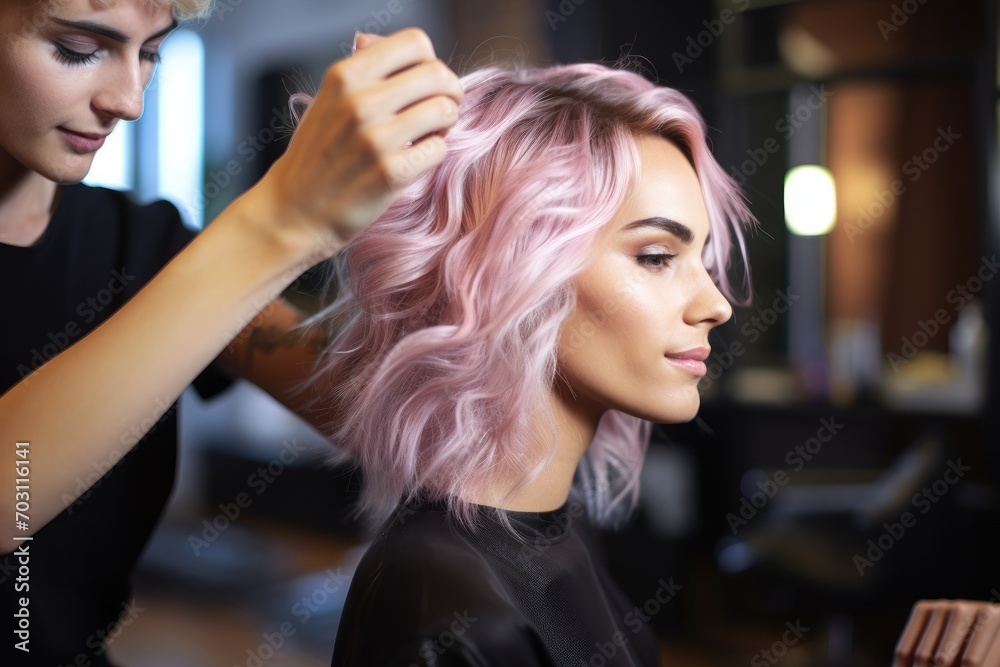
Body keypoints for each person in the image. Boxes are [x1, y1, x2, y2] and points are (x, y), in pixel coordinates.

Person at [306, 64, 1000, 666]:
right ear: (515, 272)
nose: (716, 304)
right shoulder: (444, 611)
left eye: (701, 257)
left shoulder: (556, 526)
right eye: (657, 257)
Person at [0, 0, 462, 664]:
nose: (129, 101)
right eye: (78, 49)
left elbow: (409, 419)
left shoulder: (146, 249)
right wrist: (285, 220)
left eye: (152, 52)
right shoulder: (202, 266)